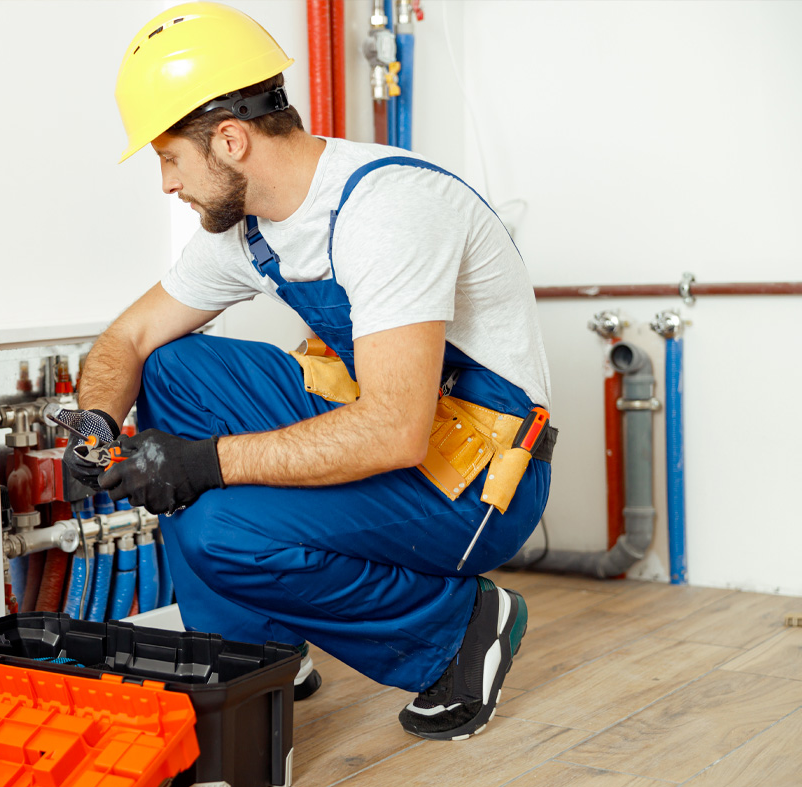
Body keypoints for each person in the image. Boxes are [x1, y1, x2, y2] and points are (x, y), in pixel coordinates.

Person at [63, 1, 555, 741]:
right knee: (175, 365)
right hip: (394, 423)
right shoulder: (248, 225)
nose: (166, 184)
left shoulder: (385, 210)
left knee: (217, 527)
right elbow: (128, 337)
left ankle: (454, 633)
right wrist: (96, 421)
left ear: (229, 140)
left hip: (478, 475)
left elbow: (394, 431)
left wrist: (205, 463)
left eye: (169, 158)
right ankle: (256, 651)